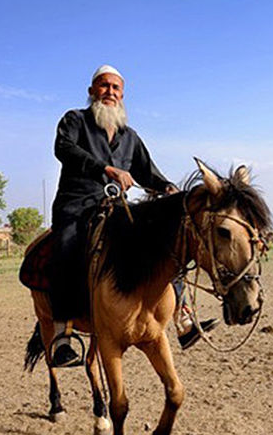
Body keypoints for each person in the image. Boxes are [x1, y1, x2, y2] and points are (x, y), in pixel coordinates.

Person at [48, 64, 217, 367]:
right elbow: (64, 149)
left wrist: (167, 187)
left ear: (123, 95)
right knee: (65, 246)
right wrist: (105, 169)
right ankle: (62, 334)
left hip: (116, 210)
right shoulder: (75, 120)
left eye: (115, 88)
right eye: (103, 86)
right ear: (92, 92)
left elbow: (147, 172)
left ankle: (183, 317)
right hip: (76, 206)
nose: (109, 92)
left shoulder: (130, 136)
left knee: (167, 242)